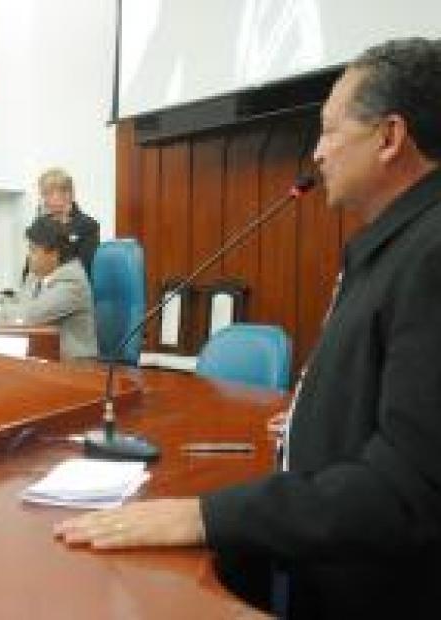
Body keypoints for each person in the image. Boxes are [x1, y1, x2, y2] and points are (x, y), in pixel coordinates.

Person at [55, 38, 441, 618]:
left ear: (389, 137)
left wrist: (205, 516)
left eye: (329, 131)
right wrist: (316, 415)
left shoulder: (432, 255)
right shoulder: (400, 242)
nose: (317, 153)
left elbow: (407, 492)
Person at [0, 215, 97, 359]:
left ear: (53, 254)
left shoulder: (72, 282)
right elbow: (19, 300)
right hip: (45, 356)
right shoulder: (37, 275)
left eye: (33, 250)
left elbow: (30, 315)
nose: (29, 256)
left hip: (74, 364)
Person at [29, 168, 100, 279]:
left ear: (70, 194)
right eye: (46, 194)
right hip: (41, 284)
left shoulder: (88, 225)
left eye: (60, 192)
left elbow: (85, 267)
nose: (53, 198)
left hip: (71, 283)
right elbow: (30, 266)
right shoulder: (39, 223)